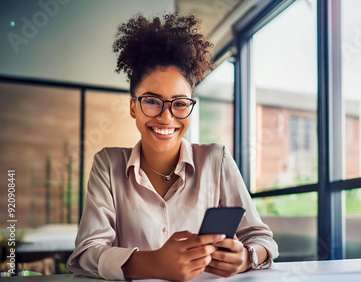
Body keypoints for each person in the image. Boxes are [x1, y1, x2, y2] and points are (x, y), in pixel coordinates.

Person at [66, 12, 278, 281]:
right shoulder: (108, 165)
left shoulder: (217, 160)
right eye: (152, 101)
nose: (166, 117)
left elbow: (262, 240)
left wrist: (246, 257)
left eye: (179, 103)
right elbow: (85, 255)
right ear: (133, 107)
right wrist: (151, 263)